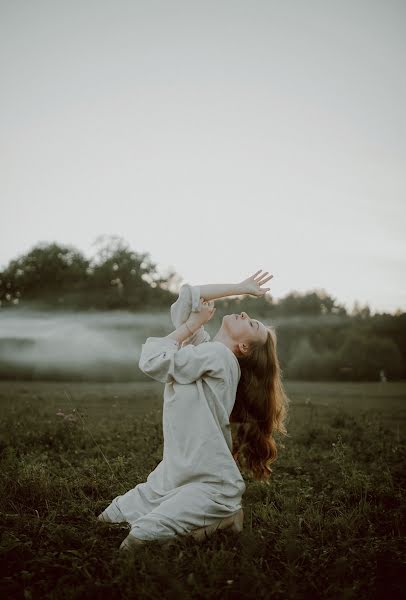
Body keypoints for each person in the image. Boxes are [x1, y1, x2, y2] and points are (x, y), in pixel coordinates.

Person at [98, 270, 289, 551]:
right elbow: (189, 297)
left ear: (244, 346)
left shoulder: (219, 356)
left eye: (253, 324)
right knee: (108, 520)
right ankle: (221, 519)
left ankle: (224, 513)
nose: (245, 314)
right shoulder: (209, 349)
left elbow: (153, 360)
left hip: (209, 484)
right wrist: (239, 286)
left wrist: (189, 327)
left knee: (139, 541)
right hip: (174, 476)